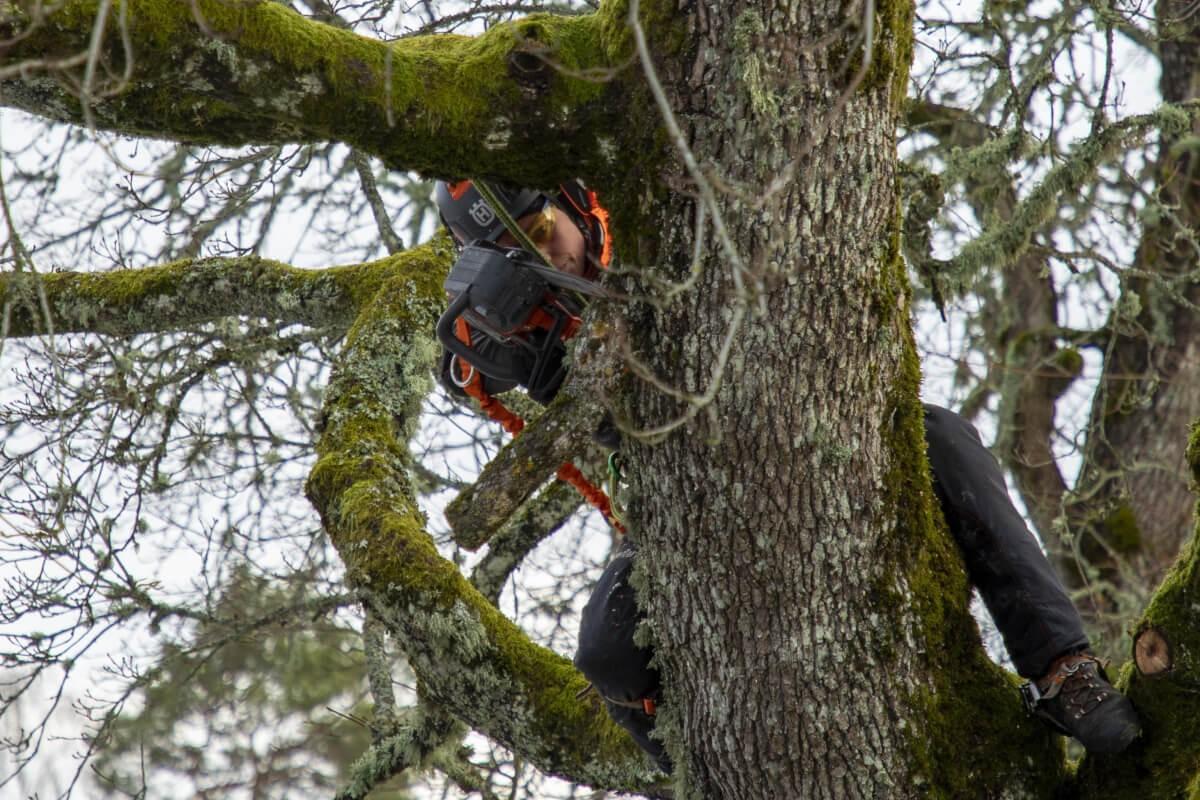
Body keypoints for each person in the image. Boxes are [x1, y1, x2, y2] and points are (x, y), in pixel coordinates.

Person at [433, 179, 1143, 770]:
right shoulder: (532, 324)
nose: (545, 253)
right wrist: (525, 359)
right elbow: (473, 371)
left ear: (572, 201)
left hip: (816, 425)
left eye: (543, 228)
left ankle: (1064, 671)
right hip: (677, 501)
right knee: (607, 654)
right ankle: (702, 778)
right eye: (518, 253)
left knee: (944, 440)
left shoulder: (647, 214)